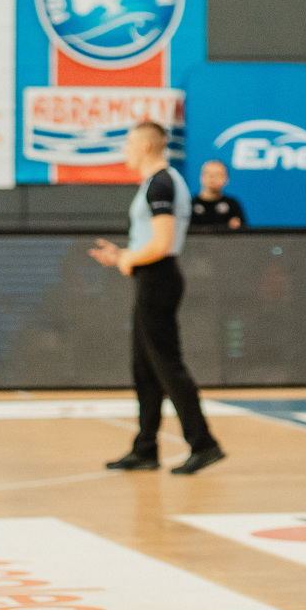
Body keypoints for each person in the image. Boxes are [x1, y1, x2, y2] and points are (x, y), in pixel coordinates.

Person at [89, 122, 225, 475]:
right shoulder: (160, 182)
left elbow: (162, 244)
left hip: (158, 279)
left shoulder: (161, 183)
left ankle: (203, 443)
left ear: (147, 146)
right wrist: (122, 256)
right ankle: (145, 448)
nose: (125, 150)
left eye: (129, 143)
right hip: (152, 278)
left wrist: (128, 258)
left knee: (166, 365)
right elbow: (151, 242)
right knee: (145, 368)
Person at [191, 159, 246, 229]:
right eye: (208, 173)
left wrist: (236, 227)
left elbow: (243, 231)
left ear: (226, 179)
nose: (212, 177)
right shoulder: (190, 205)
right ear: (201, 177)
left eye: (217, 174)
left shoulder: (232, 205)